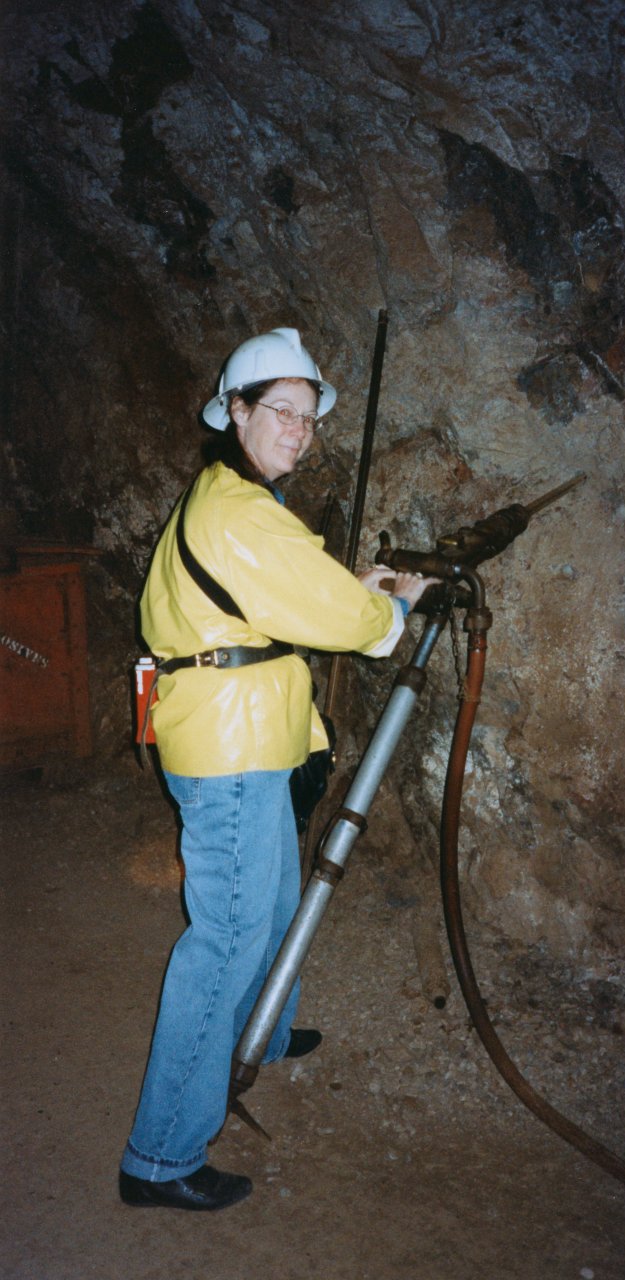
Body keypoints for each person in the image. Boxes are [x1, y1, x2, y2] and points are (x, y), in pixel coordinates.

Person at [119, 327, 435, 1211]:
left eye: (307, 415)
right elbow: (346, 618)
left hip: (244, 732)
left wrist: (348, 588)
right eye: (280, 412)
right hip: (231, 751)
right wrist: (391, 605)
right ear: (237, 413)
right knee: (223, 937)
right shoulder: (242, 510)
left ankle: (268, 1023)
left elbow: (284, 591)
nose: (297, 430)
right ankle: (159, 1158)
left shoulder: (225, 499)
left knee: (275, 897)